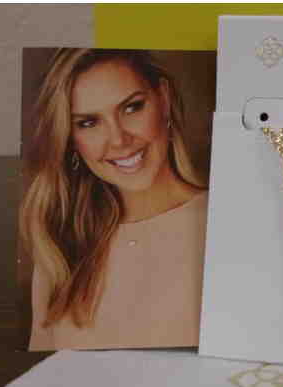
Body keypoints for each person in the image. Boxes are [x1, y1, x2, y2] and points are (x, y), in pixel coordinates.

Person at [20, 49, 209, 350]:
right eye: (88, 122)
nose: (119, 140)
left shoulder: (224, 222)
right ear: (70, 139)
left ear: (164, 99)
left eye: (132, 107)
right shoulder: (60, 247)